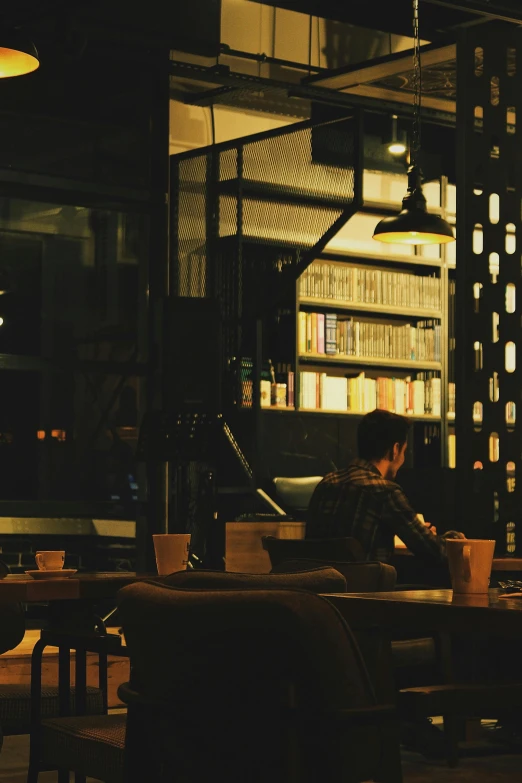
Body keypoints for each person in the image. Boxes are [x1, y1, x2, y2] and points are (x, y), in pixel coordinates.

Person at [306, 408, 463, 565]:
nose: (402, 459)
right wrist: (454, 538)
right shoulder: (385, 491)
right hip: (367, 586)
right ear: (394, 450)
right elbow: (435, 551)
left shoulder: (326, 483)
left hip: (321, 586)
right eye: (404, 451)